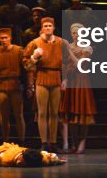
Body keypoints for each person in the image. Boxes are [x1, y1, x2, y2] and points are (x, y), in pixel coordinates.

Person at [23, 17, 69, 153]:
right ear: (42, 28)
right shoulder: (35, 43)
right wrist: (34, 57)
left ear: (54, 27)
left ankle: (53, 142)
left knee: (54, 113)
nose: (48, 27)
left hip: (55, 77)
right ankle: (44, 142)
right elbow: (26, 65)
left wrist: (65, 79)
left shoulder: (61, 42)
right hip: (42, 77)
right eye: (45, 26)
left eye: (50, 25)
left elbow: (66, 62)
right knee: (42, 112)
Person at [61, 23, 96, 154]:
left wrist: (69, 50)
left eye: (79, 32)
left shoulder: (87, 47)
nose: (76, 35)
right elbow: (64, 65)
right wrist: (64, 79)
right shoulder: (69, 46)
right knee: (71, 113)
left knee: (82, 111)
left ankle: (83, 141)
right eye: (74, 33)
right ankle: (74, 142)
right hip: (71, 80)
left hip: (81, 79)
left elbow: (80, 64)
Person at [0, 28, 25, 147]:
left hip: (15, 84)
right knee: (3, 116)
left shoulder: (18, 50)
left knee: (18, 115)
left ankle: (22, 140)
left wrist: (29, 85)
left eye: (6, 38)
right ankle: (5, 141)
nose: (4, 40)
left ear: (10, 38)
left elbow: (26, 68)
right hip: (2, 85)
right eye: (1, 38)